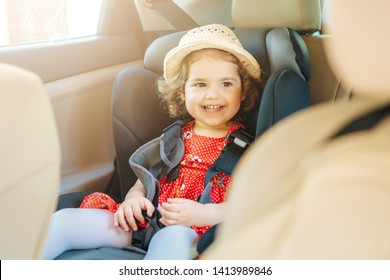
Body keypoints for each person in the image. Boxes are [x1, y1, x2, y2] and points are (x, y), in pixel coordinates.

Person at [43, 23, 261, 260]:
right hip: (146, 223)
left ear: (242, 91)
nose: (213, 94)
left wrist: (206, 214)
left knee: (172, 240)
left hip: (193, 232)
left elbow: (251, 202)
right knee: (62, 222)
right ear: (182, 92)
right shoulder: (173, 138)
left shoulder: (244, 147)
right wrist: (133, 198)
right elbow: (145, 179)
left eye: (226, 84)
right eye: (200, 84)